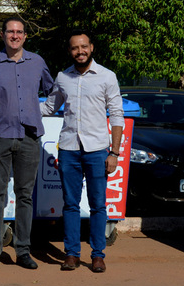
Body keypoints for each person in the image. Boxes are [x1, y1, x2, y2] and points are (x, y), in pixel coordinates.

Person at [40, 30, 123, 273]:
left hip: (98, 150)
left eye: (84, 46)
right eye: (75, 48)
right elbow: (49, 108)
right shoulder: (63, 77)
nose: (80, 51)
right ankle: (72, 254)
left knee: (98, 205)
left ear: (92, 48)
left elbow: (117, 114)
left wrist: (114, 153)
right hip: (69, 150)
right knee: (70, 204)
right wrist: (19, 109)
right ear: (70, 51)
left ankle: (97, 255)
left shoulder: (107, 77)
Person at [0, 17, 54, 270]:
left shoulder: (38, 62)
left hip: (29, 138)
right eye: (11, 31)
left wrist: (37, 110)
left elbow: (54, 92)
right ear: (2, 35)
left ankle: (23, 251)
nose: (15, 36)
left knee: (25, 196)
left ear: (25, 36)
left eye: (19, 32)